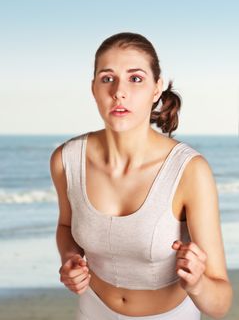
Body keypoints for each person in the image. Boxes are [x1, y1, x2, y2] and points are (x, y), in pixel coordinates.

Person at [50, 32, 232, 320]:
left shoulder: (189, 171)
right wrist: (70, 259)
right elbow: (65, 225)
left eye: (135, 79)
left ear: (156, 89)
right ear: (93, 88)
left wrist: (197, 283)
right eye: (107, 78)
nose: (119, 92)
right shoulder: (66, 160)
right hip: (93, 309)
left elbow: (220, 305)